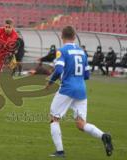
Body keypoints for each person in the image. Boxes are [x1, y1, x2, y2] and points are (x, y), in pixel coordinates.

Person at [46, 26, 113, 157]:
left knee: (54, 119)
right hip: (81, 90)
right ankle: (103, 136)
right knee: (81, 124)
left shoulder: (62, 51)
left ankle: (60, 151)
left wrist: (50, 82)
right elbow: (87, 75)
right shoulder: (82, 52)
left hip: (67, 88)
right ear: (75, 37)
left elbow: (59, 70)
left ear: (61, 36)